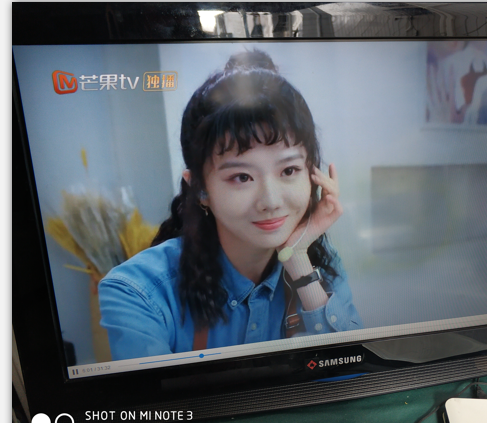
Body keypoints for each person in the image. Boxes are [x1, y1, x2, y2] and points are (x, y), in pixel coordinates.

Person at [98, 50, 363, 361]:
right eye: (241, 177)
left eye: (289, 170)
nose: (271, 201)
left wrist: (297, 260)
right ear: (200, 189)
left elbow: (350, 373)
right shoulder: (137, 291)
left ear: (313, 175)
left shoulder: (319, 263)